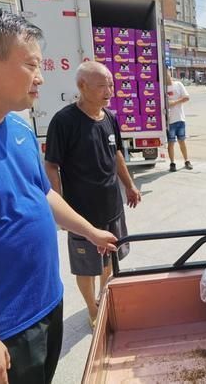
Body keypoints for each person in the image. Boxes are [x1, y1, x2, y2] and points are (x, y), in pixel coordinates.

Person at [0, 10, 119, 384]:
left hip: (48, 304)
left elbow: (41, 193)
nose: (41, 77)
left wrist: (90, 231)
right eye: (31, 65)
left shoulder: (17, 125)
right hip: (1, 328)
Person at [44, 61, 141, 328]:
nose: (109, 90)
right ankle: (92, 308)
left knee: (109, 258)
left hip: (112, 206)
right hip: (82, 213)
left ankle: (104, 295)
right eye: (102, 86)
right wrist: (60, 205)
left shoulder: (109, 118)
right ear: (81, 86)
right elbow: (51, 164)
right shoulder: (64, 121)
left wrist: (129, 185)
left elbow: (117, 153)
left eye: (110, 84)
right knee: (86, 266)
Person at [165, 69, 193, 172]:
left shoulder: (178, 84)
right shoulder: (162, 87)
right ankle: (172, 163)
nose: (166, 76)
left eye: (167, 73)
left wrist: (174, 102)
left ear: (170, 73)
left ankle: (187, 161)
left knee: (182, 141)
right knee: (171, 143)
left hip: (180, 119)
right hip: (169, 121)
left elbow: (186, 97)